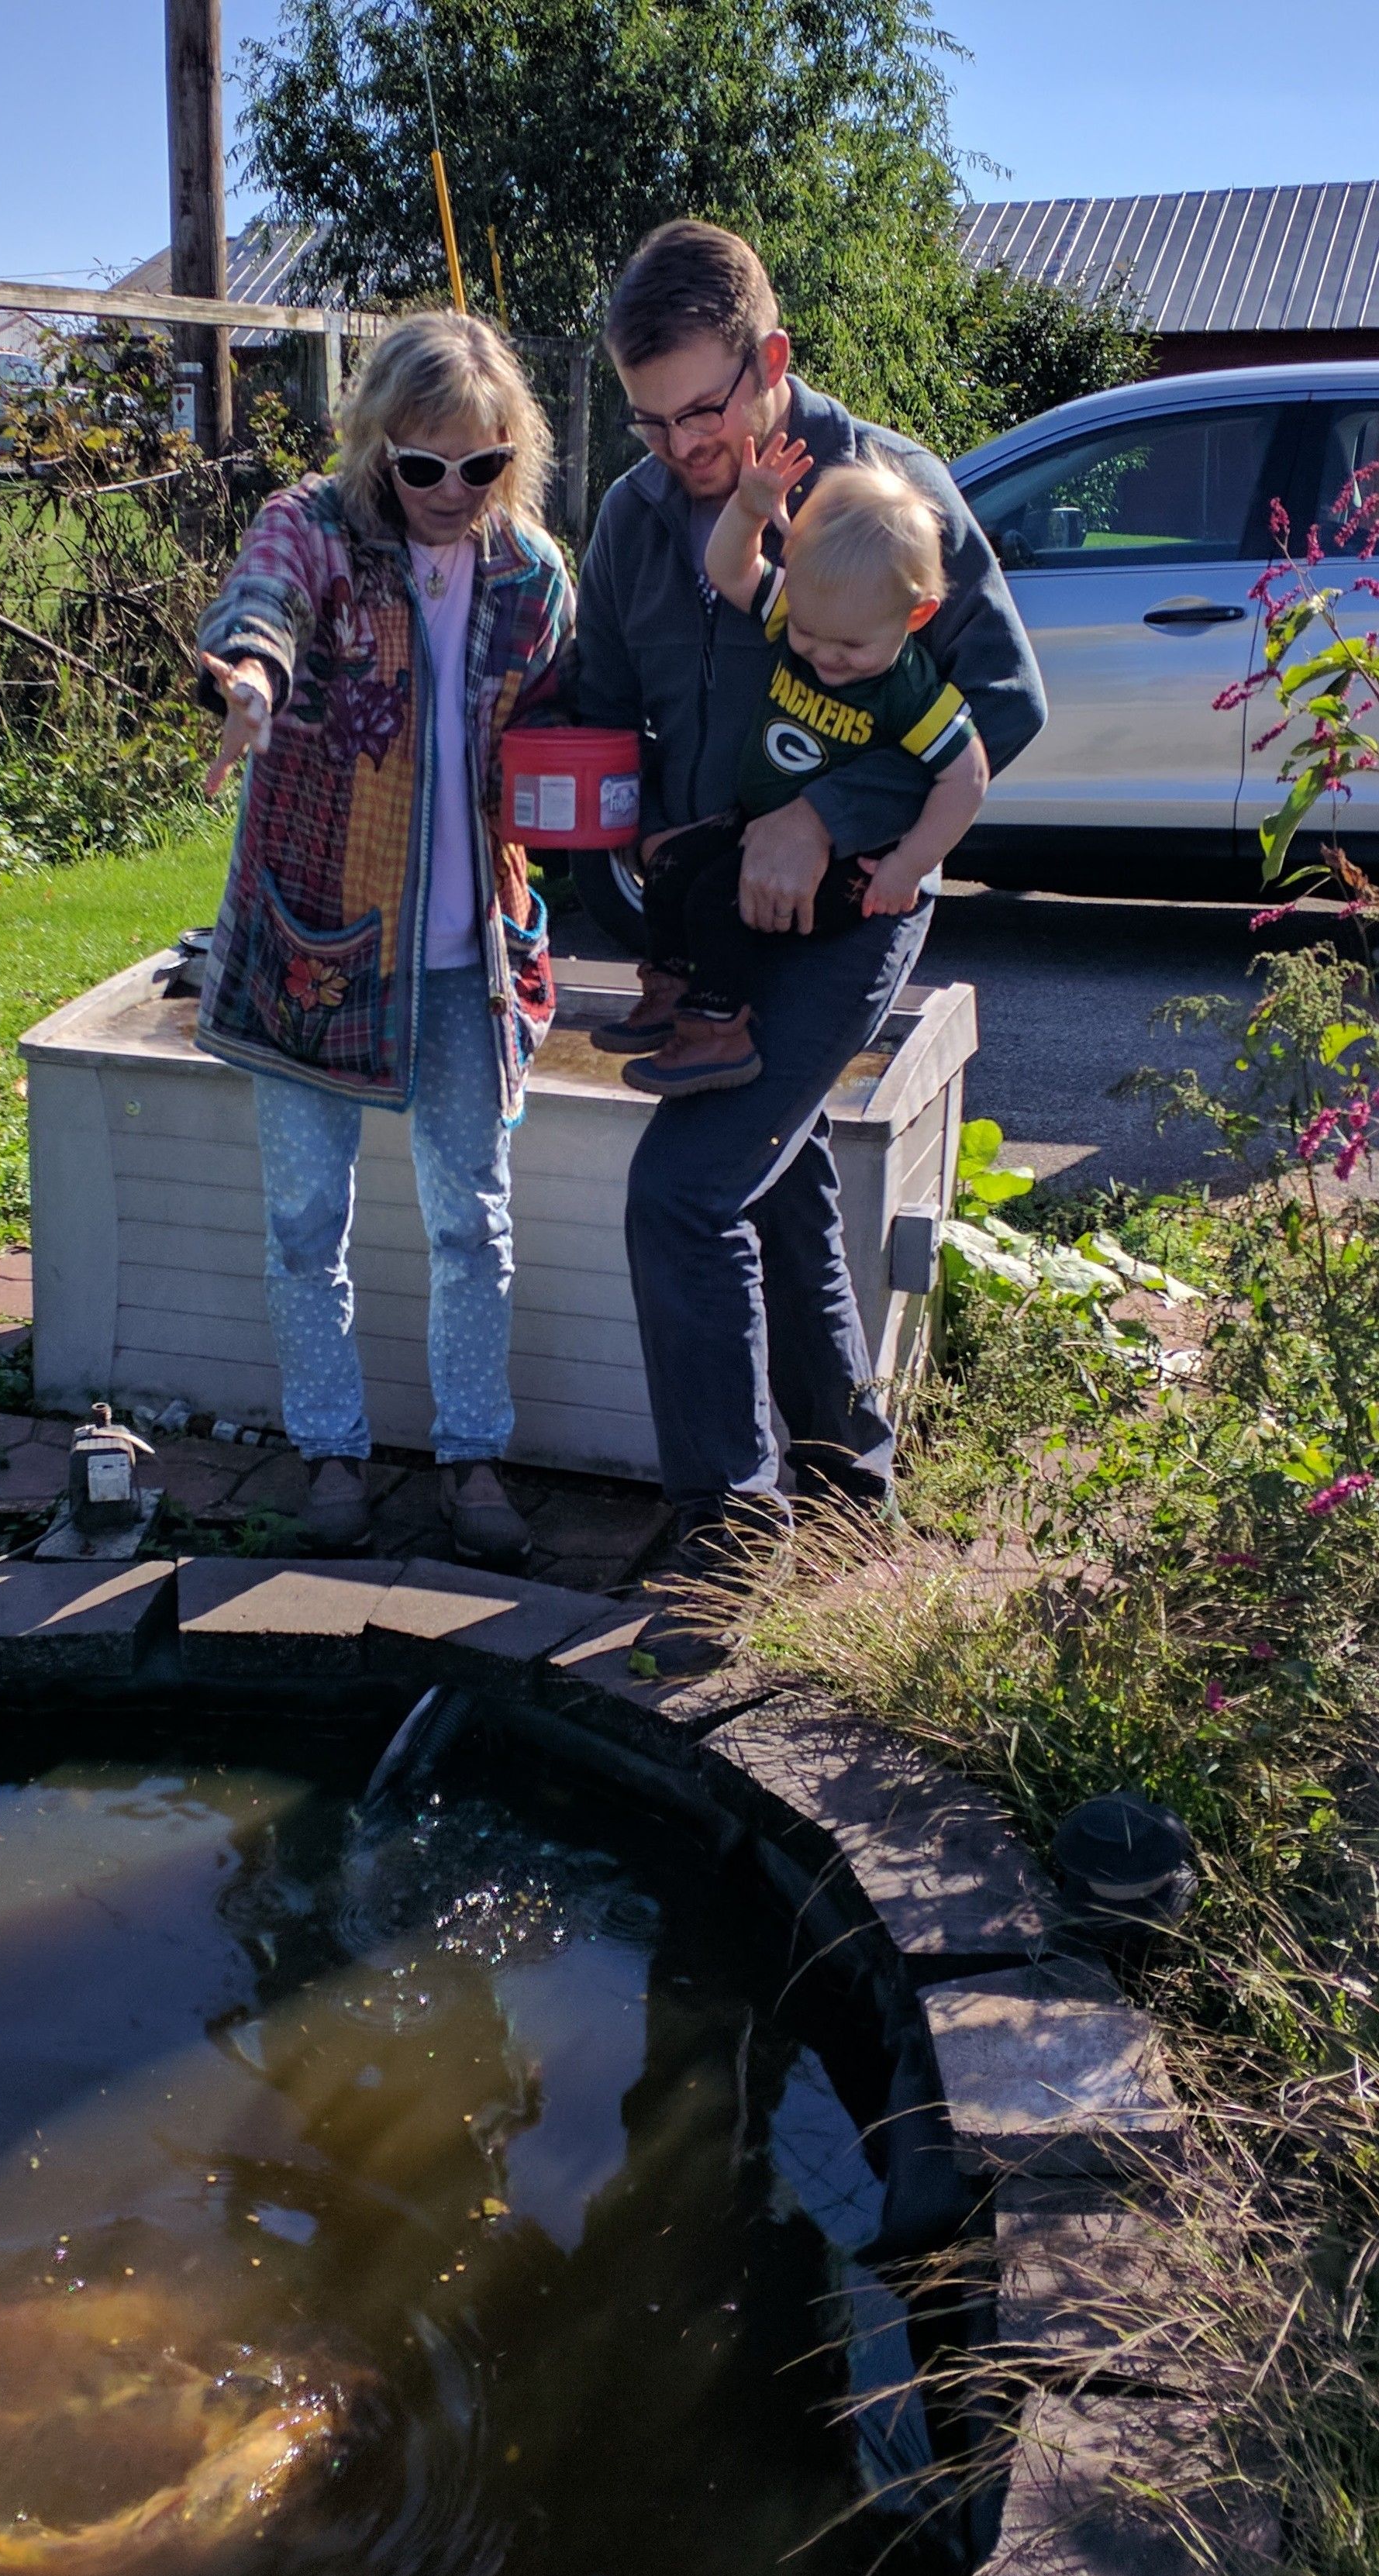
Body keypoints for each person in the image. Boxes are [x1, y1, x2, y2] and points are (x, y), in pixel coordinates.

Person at [574, 218, 1046, 1669]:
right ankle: (851, 1488)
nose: (675, 448)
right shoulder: (637, 515)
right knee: (770, 1192)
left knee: (686, 1192)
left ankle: (731, 1542)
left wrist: (830, 817)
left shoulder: (890, 500)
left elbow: (1004, 711)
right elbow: (608, 724)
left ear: (770, 364)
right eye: (648, 419)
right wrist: (617, 899)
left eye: (703, 411)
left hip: (847, 921)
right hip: (706, 931)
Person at [191, 313, 572, 1568]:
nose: (453, 492)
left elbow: (571, 727)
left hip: (472, 955)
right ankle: (332, 1454)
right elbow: (267, 602)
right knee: (308, 1220)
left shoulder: (533, 581)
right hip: (319, 944)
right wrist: (250, 678)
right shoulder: (318, 529)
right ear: (375, 449)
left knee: (474, 1223)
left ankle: (472, 1460)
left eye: (482, 463)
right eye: (423, 466)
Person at [597, 440, 989, 1097]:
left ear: (915, 615)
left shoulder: (908, 690)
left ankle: (719, 1032)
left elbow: (966, 777)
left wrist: (907, 865)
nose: (824, 658)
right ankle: (671, 990)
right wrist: (751, 509)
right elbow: (730, 569)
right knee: (667, 866)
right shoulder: (801, 608)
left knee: (720, 899)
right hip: (758, 823)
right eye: (808, 635)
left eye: (850, 646)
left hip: (838, 868)